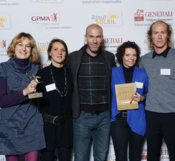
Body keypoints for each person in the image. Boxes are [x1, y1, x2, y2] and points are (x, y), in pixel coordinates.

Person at [140, 20, 175, 161]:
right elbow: (140, 88)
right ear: (151, 36)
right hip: (151, 115)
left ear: (168, 35)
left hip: (173, 116)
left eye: (163, 32)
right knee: (152, 156)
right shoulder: (144, 60)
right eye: (156, 32)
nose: (159, 36)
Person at [0, 32, 46, 161]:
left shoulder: (35, 69)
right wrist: (25, 92)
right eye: (20, 44)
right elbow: (3, 101)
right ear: (13, 47)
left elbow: (41, 94)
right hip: (10, 125)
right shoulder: (2, 69)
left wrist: (35, 94)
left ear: (31, 50)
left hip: (32, 123)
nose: (24, 48)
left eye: (28, 46)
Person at [68, 24, 116, 161]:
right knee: (80, 157)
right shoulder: (74, 58)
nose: (94, 41)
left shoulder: (109, 57)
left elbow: (116, 83)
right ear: (85, 38)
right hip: (81, 116)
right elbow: (63, 81)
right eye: (91, 36)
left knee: (101, 157)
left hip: (104, 117)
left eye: (98, 36)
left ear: (102, 38)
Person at [111, 41, 148, 161]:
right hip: (119, 119)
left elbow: (150, 94)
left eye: (134, 55)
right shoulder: (113, 72)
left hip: (138, 119)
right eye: (127, 55)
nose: (131, 58)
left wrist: (142, 98)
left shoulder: (143, 74)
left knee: (135, 157)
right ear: (121, 56)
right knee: (120, 157)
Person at [36, 38, 73, 161]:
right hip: (47, 126)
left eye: (63, 50)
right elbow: (33, 97)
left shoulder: (71, 73)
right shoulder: (41, 73)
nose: (60, 52)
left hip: (66, 126)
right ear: (50, 53)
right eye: (56, 49)